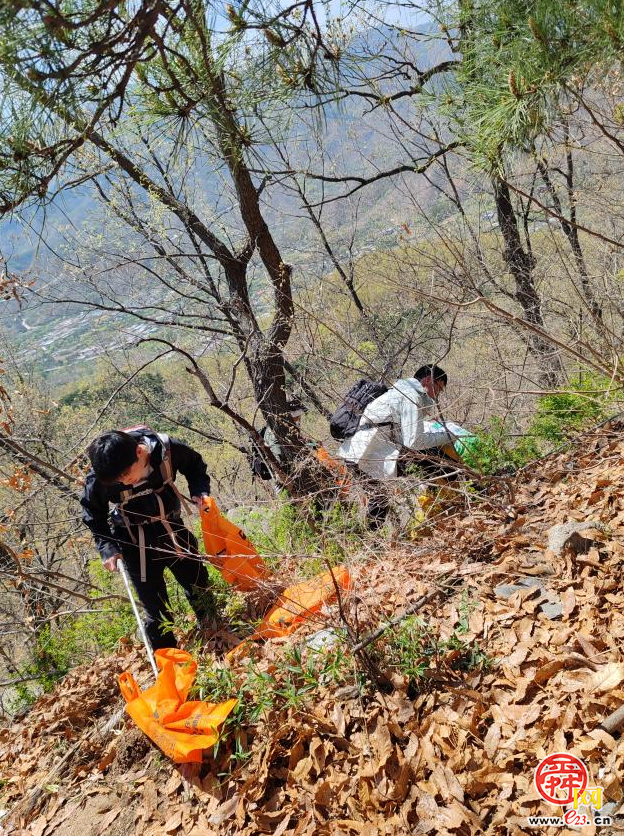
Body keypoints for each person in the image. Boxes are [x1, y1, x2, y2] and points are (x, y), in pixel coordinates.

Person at [81, 427, 213, 650]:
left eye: (125, 475)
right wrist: (107, 547)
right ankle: (168, 657)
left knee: (198, 583)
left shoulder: (167, 449)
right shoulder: (105, 474)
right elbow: (93, 512)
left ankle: (214, 630)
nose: (123, 482)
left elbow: (195, 466)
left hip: (171, 527)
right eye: (117, 479)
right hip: (132, 540)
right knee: (155, 607)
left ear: (140, 452)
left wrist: (200, 491)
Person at [337, 365, 454, 481]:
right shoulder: (411, 396)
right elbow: (415, 441)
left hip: (356, 452)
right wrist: (450, 435)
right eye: (439, 388)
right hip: (367, 455)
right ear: (428, 380)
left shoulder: (400, 391)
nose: (437, 394)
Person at [249, 398, 307, 483]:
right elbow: (277, 452)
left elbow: (300, 441)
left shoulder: (286, 426)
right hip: (281, 466)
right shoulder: (276, 431)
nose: (299, 418)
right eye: (298, 415)